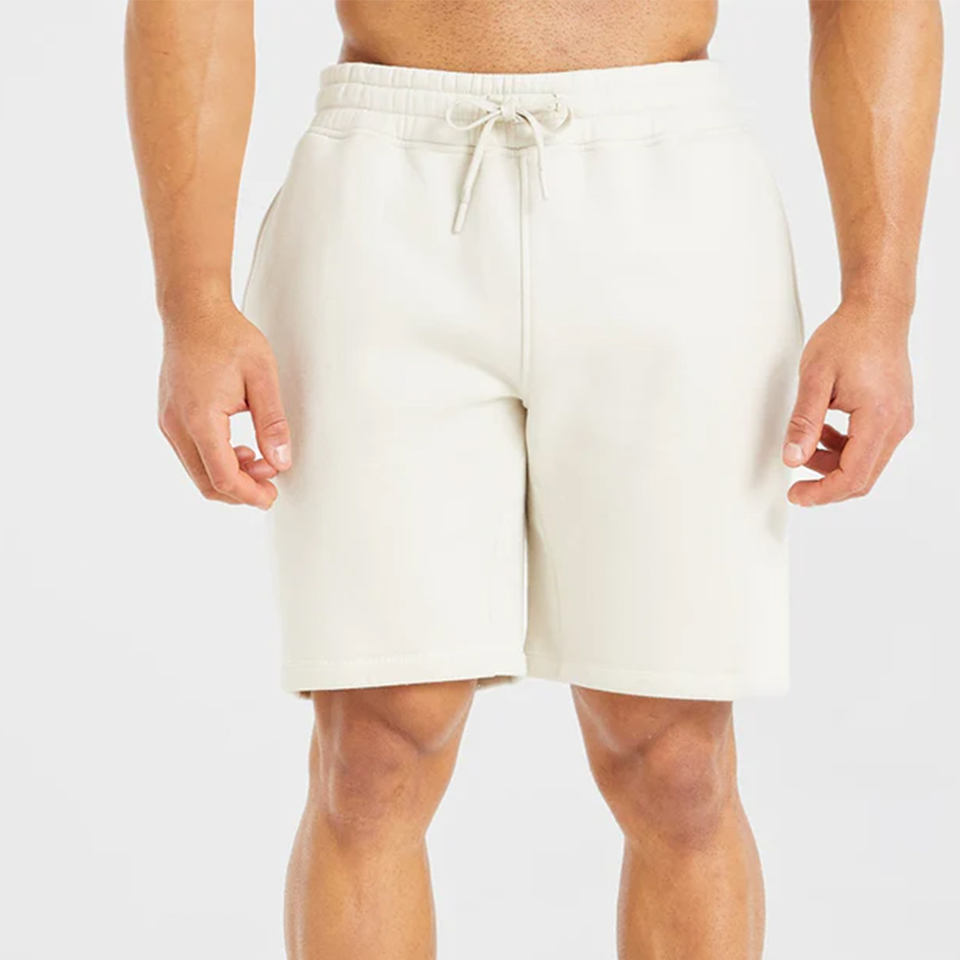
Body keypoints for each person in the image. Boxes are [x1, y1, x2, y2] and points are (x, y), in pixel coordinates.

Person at [125, 2, 942, 957]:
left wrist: (880, 302)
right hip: (383, 199)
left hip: (671, 196)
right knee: (372, 757)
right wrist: (192, 303)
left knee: (677, 762)